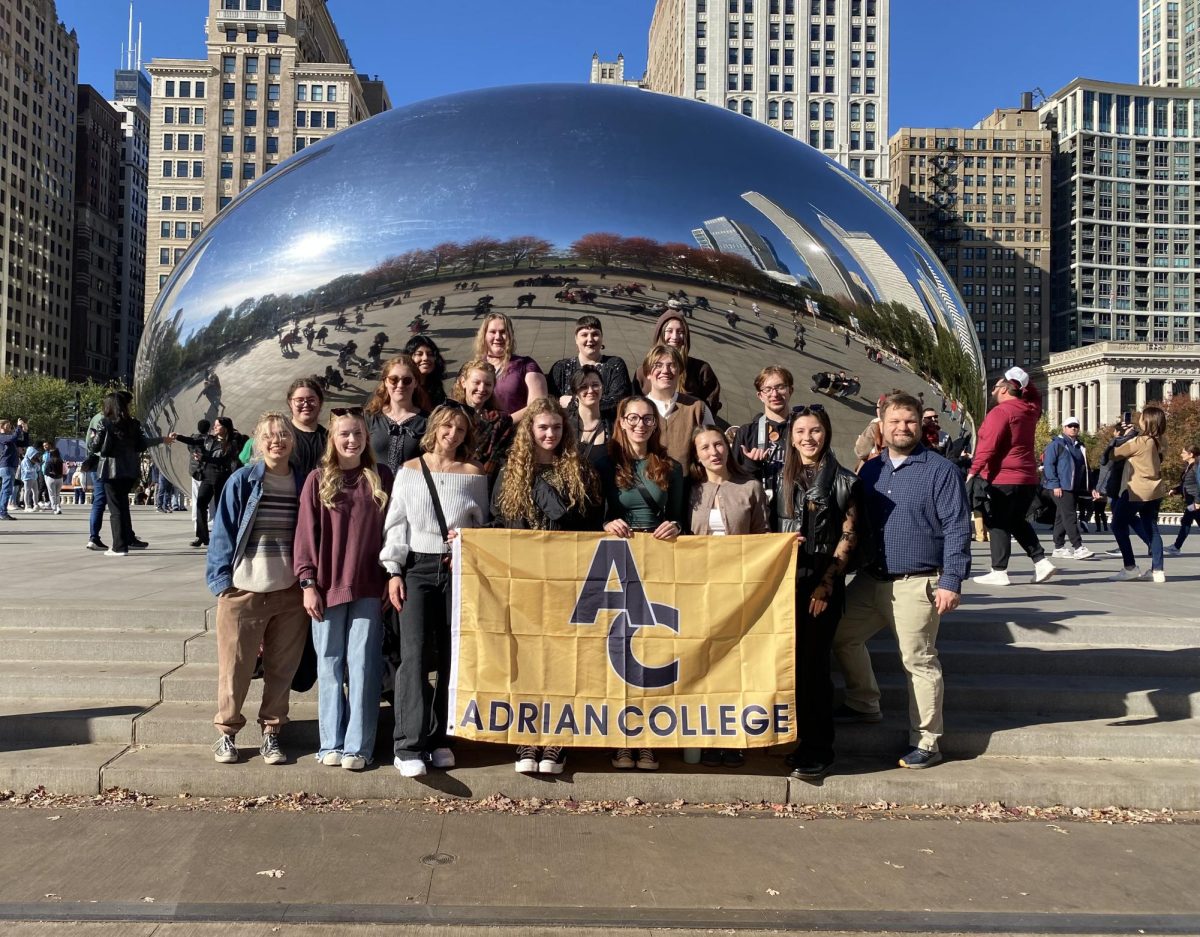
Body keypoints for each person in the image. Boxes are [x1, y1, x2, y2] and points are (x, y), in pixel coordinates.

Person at [831, 391, 971, 770]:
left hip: (918, 582)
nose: (902, 427)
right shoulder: (872, 469)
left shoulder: (941, 471)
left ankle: (927, 740)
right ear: (882, 425)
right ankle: (864, 702)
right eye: (894, 421)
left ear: (920, 425)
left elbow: (958, 529)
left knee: (919, 661)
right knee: (841, 636)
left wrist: (951, 580)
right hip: (872, 579)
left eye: (909, 421)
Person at [492, 397, 602, 775]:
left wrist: (545, 490)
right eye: (542, 427)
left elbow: (587, 524)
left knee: (561, 660)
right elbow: (497, 523)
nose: (550, 434)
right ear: (530, 431)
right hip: (523, 581)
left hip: (565, 580)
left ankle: (557, 739)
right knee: (527, 659)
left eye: (556, 427)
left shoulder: (580, 471)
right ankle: (527, 734)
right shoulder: (511, 472)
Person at [380, 403, 489, 777]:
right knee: (412, 655)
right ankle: (408, 744)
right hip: (416, 568)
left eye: (460, 429)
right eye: (446, 426)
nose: (452, 434)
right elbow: (397, 524)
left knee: (450, 657)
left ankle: (442, 737)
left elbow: (484, 525)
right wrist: (393, 571)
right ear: (434, 428)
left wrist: (468, 543)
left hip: (456, 569)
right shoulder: (410, 471)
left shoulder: (474, 475)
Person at [206, 411, 309, 765]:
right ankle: (227, 733)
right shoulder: (244, 480)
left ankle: (272, 733)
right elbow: (223, 531)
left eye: (282, 435)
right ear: (258, 442)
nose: (276, 441)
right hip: (244, 589)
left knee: (282, 668)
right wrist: (222, 584)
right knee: (235, 667)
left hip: (289, 590)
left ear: (292, 440)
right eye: (268, 436)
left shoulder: (304, 482)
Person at [294, 408, 394, 771]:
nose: (351, 440)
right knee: (330, 663)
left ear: (366, 438)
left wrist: (392, 574)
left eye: (357, 434)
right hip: (326, 586)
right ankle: (330, 742)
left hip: (368, 585)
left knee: (364, 665)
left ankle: (358, 746)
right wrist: (307, 582)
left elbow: (393, 531)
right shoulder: (318, 479)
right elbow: (305, 536)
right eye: (344, 435)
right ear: (333, 440)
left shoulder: (381, 477)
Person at [771, 405, 860, 780]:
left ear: (827, 433)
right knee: (791, 666)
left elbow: (849, 534)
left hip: (820, 582)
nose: (809, 438)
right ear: (791, 437)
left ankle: (819, 747)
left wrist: (826, 583)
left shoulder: (845, 480)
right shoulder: (779, 477)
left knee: (813, 666)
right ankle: (799, 740)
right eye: (802, 431)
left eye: (816, 431)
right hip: (783, 578)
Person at [601, 396, 685, 773]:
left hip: (658, 561)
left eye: (647, 418)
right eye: (632, 418)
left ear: (656, 424)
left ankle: (648, 739)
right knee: (619, 652)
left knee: (652, 648)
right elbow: (593, 510)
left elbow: (681, 514)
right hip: (618, 563)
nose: (640, 424)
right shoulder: (603, 461)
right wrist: (605, 523)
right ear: (621, 421)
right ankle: (621, 738)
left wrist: (677, 526)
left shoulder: (670, 466)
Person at [688, 425, 770, 768]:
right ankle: (704, 736)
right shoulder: (690, 490)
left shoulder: (750, 488)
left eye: (718, 444)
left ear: (728, 446)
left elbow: (763, 537)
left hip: (739, 590)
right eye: (705, 447)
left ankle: (734, 737)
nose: (713, 452)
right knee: (704, 664)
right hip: (699, 592)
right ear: (697, 455)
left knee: (737, 665)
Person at [967, 367, 1055, 587]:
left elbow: (988, 445)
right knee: (1016, 520)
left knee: (997, 522)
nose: (993, 391)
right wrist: (1024, 380)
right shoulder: (1030, 410)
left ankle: (999, 571)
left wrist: (973, 471)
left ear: (1005, 389)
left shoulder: (1000, 412)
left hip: (1003, 478)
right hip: (1028, 478)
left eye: (996, 387)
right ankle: (1041, 561)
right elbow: (1035, 395)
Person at [90, 392, 171, 556]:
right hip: (129, 470)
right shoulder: (134, 423)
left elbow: (95, 447)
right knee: (122, 506)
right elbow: (141, 445)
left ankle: (119, 546)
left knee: (115, 509)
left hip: (110, 471)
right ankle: (127, 539)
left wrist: (93, 437)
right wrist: (161, 439)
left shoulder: (105, 423)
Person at [1106, 406, 1169, 583]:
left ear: (1147, 421)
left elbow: (1113, 455)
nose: (1138, 419)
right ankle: (1158, 570)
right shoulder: (1161, 441)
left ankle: (1130, 567)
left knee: (1118, 524)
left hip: (1136, 489)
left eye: (1141, 417)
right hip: (1155, 489)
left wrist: (1120, 438)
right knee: (1152, 528)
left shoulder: (1141, 441)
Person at [634, 305, 722, 415]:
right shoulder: (642, 372)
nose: (675, 337)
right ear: (660, 334)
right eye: (669, 331)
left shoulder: (701, 370)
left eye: (680, 331)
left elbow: (709, 409)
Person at [640, 344, 713, 475]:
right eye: (658, 365)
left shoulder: (697, 408)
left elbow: (712, 448)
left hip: (689, 489)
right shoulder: (636, 409)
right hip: (647, 488)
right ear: (648, 373)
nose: (665, 370)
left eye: (671, 365)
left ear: (680, 371)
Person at [174, 417, 241, 548]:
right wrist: (178, 437)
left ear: (225, 428)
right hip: (207, 477)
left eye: (217, 426)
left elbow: (223, 460)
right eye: (214, 425)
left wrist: (204, 458)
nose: (214, 428)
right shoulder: (209, 439)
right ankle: (202, 536)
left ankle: (222, 535)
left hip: (221, 477)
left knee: (220, 507)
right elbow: (193, 440)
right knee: (200, 504)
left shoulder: (232, 443)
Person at [547, 315, 632, 415]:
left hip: (605, 427)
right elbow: (551, 404)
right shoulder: (561, 368)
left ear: (602, 338)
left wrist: (575, 402)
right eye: (584, 335)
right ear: (576, 339)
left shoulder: (614, 365)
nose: (590, 339)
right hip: (568, 428)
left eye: (595, 334)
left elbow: (619, 401)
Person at [731, 366, 793, 504]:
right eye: (768, 389)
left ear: (790, 390)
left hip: (794, 508)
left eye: (780, 387)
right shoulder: (746, 432)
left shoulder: (802, 431)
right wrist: (751, 465)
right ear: (760, 396)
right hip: (757, 508)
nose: (774, 394)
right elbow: (732, 478)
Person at [473, 312, 547, 420]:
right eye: (492, 332)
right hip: (481, 433)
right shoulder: (474, 367)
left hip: (516, 432)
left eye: (503, 332)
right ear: (484, 335)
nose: (498, 337)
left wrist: (505, 424)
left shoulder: (526, 365)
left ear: (510, 335)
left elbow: (538, 406)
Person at [451, 358, 515, 481]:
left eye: (488, 384)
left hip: (486, 480)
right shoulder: (447, 415)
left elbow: (501, 457)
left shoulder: (502, 420)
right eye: (476, 382)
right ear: (463, 382)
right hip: (452, 477)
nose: (482, 389)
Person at [365, 355, 428, 474]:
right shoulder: (370, 418)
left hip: (411, 490)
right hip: (376, 490)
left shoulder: (428, 422)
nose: (400, 385)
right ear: (385, 382)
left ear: (415, 383)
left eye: (407, 380)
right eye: (393, 379)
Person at [1042, 416, 1093, 560]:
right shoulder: (1056, 444)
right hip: (1060, 487)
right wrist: (1055, 484)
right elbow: (1048, 465)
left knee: (1061, 515)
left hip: (1073, 487)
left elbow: (1085, 468)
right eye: (1070, 426)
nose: (1073, 428)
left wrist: (1089, 486)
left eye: (1076, 426)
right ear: (1064, 428)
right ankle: (1078, 547)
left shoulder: (1079, 446)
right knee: (1070, 516)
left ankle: (1058, 547)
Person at [566, 365, 614, 475]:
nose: (590, 390)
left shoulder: (613, 425)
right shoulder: (565, 426)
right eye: (583, 386)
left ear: (602, 387)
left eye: (595, 385)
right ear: (575, 392)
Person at [285, 377, 328, 478]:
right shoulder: (281, 435)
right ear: (290, 403)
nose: (306, 404)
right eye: (299, 400)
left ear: (320, 402)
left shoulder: (330, 438)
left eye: (311, 400)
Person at [1166, 445, 1200, 555]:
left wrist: (1198, 501)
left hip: (1196, 501)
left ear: (1191, 454)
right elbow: (1186, 484)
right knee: (1186, 522)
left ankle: (1176, 547)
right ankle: (1176, 547)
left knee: (1186, 522)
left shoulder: (1197, 467)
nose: (1181, 454)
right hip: (1191, 501)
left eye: (1183, 453)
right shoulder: (1188, 466)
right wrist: (1176, 490)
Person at [404, 334, 447, 409]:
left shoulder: (435, 385)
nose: (425, 358)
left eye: (430, 354)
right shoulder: (403, 386)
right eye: (419, 354)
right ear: (409, 358)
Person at [0, 418, 28, 520]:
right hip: (6, 465)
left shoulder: (9, 438)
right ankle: (3, 513)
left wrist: (25, 432)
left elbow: (24, 443)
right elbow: (13, 437)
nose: (10, 427)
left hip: (11, 466)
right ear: (1, 427)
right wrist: (19, 427)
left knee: (5, 490)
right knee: (7, 490)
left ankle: (2, 511)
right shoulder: (2, 437)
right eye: (7, 425)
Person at [42, 444, 64, 514]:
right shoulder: (61, 461)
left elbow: (46, 472)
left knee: (52, 494)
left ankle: (54, 508)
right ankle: (58, 507)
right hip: (60, 478)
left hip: (51, 478)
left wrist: (50, 473)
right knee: (57, 494)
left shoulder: (49, 461)